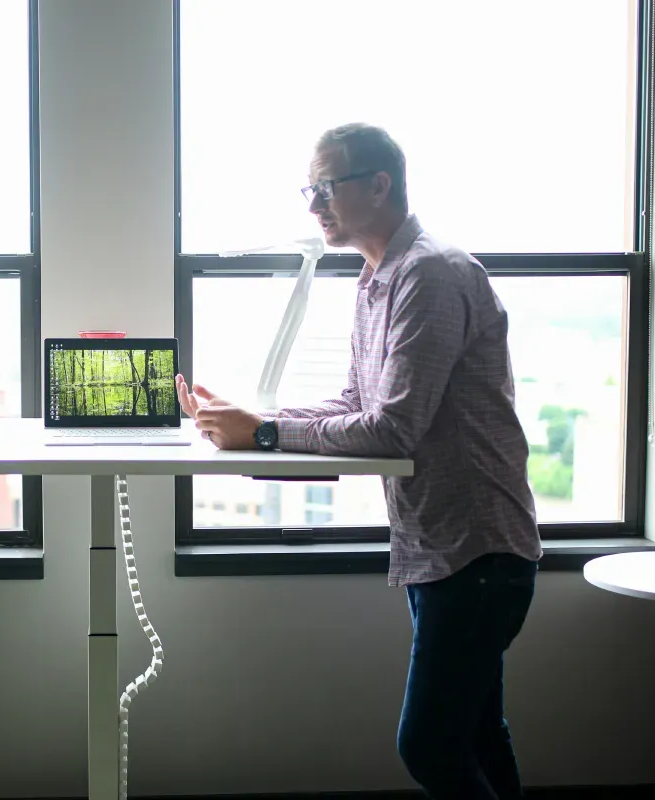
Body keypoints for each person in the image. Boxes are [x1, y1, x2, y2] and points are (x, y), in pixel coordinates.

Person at [175, 123, 542, 799]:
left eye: (325, 187)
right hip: (444, 547)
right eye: (308, 190)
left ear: (379, 184)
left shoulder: (430, 274)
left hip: (478, 550)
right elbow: (356, 401)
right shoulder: (379, 278)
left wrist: (262, 437)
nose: (313, 205)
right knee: (476, 731)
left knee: (430, 744)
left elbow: (393, 430)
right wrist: (256, 421)